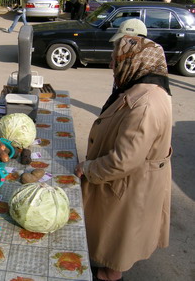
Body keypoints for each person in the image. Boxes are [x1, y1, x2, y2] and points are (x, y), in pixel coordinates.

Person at [74, 19, 172, 281]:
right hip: (134, 182)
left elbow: (123, 161)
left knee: (119, 247)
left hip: (131, 187)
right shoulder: (145, 90)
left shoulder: (146, 103)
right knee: (117, 245)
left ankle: (108, 276)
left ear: (133, 62)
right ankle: (108, 271)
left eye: (116, 61)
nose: (111, 66)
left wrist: (89, 168)